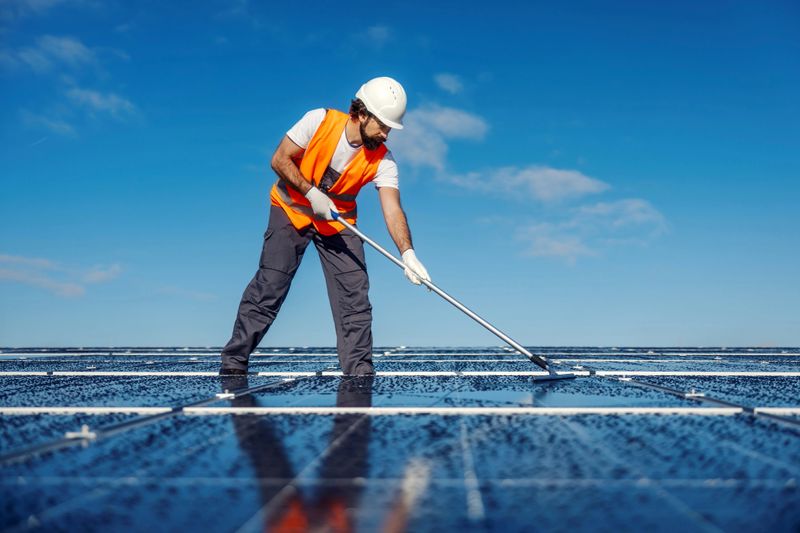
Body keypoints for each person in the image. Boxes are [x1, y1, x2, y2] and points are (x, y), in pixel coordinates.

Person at [220, 77, 430, 376]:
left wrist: (408, 252)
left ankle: (359, 372)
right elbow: (280, 160)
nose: (385, 134)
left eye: (389, 128)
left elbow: (393, 209)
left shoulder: (384, 160)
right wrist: (310, 192)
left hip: (337, 223)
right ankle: (234, 362)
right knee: (271, 286)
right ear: (361, 113)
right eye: (382, 125)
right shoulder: (318, 121)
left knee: (355, 299)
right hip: (290, 211)